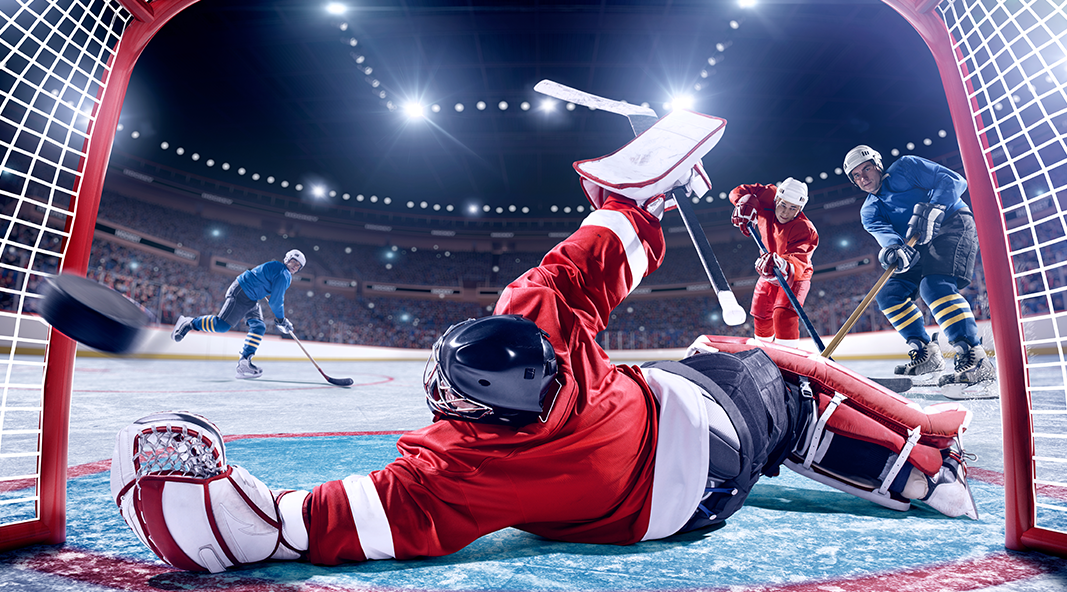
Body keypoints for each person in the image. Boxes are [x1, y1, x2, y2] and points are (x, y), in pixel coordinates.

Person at [112, 121, 979, 574]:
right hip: (693, 425)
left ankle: (910, 457)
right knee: (771, 372)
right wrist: (642, 203)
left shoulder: (464, 468)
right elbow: (580, 270)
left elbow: (311, 524)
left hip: (677, 508)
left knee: (731, 355)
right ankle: (920, 463)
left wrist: (235, 520)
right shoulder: (549, 339)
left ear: (461, 402)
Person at [843, 145, 995, 387]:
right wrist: (893, 250)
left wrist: (935, 206)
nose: (863, 178)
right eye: (857, 176)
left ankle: (975, 358)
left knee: (934, 286)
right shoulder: (869, 211)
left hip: (952, 224)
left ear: (878, 165)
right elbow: (888, 238)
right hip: (917, 244)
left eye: (867, 169)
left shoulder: (906, 167)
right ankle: (926, 353)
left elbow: (954, 180)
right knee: (888, 295)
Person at [170, 249, 305, 379]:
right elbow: (275, 302)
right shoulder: (283, 273)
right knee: (221, 325)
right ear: (287, 259)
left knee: (259, 327)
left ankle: (244, 362)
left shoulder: (278, 268)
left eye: (298, 266)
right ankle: (189, 323)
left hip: (250, 297)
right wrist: (281, 320)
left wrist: (280, 319)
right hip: (242, 292)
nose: (295, 266)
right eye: (293, 261)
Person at [729, 178, 819, 348]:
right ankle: (763, 353)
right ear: (777, 199)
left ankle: (788, 362)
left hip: (794, 276)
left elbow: (798, 261)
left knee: (783, 316)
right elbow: (736, 191)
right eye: (783, 205)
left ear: (800, 209)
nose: (785, 212)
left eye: (793, 208)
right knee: (760, 313)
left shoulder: (805, 229)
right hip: (768, 269)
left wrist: (782, 264)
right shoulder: (767, 194)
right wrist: (744, 203)